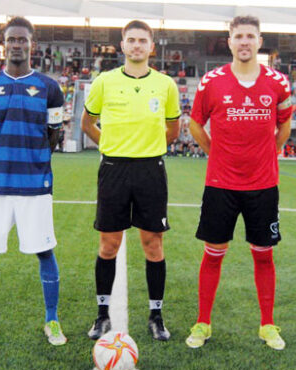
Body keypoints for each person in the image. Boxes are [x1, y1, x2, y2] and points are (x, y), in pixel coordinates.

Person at [184, 15, 292, 351]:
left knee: (263, 255)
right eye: (238, 36)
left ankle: (267, 324)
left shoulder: (278, 82)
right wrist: (215, 153)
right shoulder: (211, 82)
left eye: (250, 36)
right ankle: (203, 322)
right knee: (213, 254)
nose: (244, 42)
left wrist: (270, 154)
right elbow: (195, 124)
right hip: (221, 184)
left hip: (263, 184)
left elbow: (284, 124)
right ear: (229, 42)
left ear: (260, 42)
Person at [0, 17, 67, 346]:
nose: (17, 45)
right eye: (11, 39)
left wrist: (32, 158)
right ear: (3, 44)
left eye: (22, 39)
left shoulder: (50, 88)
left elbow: (54, 136)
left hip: (35, 185)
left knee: (45, 251)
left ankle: (52, 320)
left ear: (31, 44)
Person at [80, 20, 180, 341]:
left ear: (151, 47)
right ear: (122, 45)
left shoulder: (165, 85)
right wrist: (112, 146)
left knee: (153, 245)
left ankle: (156, 316)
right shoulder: (104, 82)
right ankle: (102, 315)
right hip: (114, 170)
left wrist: (146, 148)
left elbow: (173, 130)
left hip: (151, 171)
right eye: (131, 40)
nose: (137, 45)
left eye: (142, 41)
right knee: (109, 245)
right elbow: (88, 123)